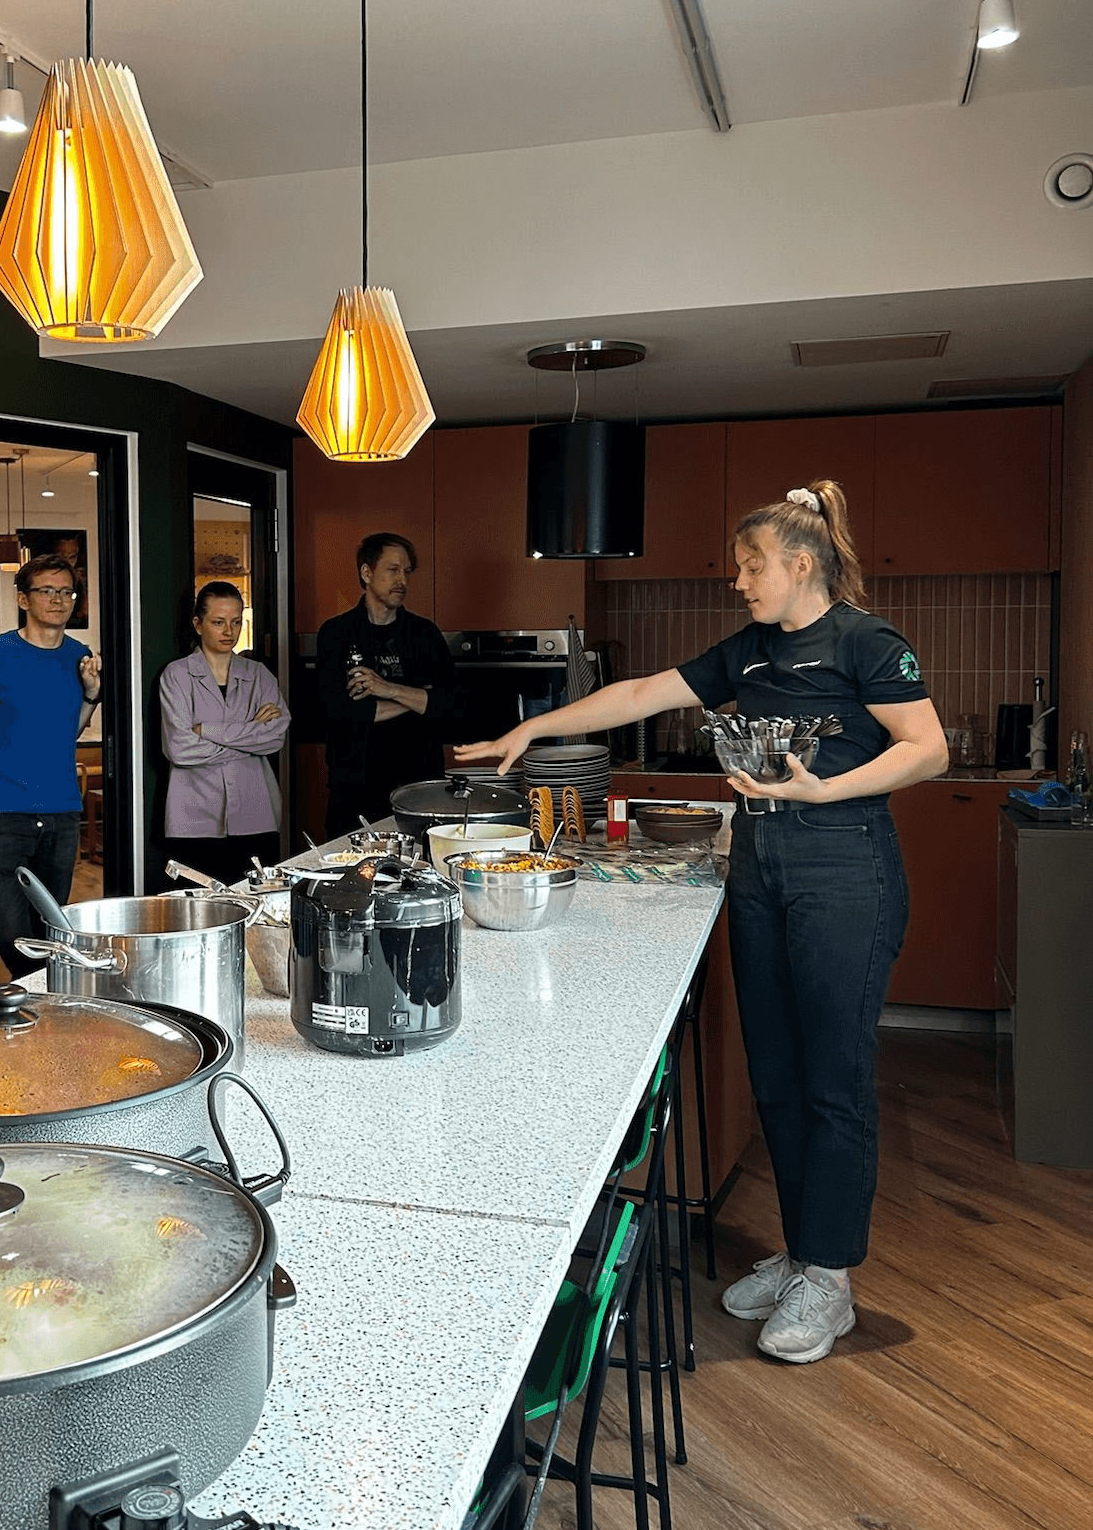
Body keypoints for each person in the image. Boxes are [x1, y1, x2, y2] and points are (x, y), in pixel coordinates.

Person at [456, 480, 948, 1365]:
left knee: (833, 1078)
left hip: (845, 870)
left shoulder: (867, 642)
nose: (738, 581)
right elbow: (646, 692)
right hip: (761, 867)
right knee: (777, 1072)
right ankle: (804, 1253)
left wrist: (822, 786)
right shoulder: (753, 650)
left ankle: (830, 1281)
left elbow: (928, 748)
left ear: (800, 564)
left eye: (750, 567)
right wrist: (530, 734)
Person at [0, 553, 101, 976]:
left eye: (66, 591)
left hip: (61, 815)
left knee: (53, 931)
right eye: (46, 591)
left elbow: (64, 734)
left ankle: (44, 1018)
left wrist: (90, 694)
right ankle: (37, 1000)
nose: (58, 599)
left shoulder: (78, 656)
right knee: (9, 930)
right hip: (1, 816)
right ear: (24, 599)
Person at [317, 531, 456, 838]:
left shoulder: (424, 635)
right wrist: (419, 699)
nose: (402, 581)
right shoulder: (335, 633)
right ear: (366, 572)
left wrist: (386, 689)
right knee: (350, 874)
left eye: (406, 572)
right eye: (393, 570)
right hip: (353, 787)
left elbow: (449, 706)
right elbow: (339, 711)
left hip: (419, 787)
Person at [160, 581, 289, 885]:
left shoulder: (259, 675)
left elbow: (275, 737)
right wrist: (249, 737)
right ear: (198, 624)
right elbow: (179, 748)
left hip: (256, 812)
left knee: (257, 910)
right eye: (218, 622)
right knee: (198, 915)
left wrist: (208, 731)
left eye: (235, 622)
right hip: (193, 818)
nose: (228, 631)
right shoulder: (177, 675)